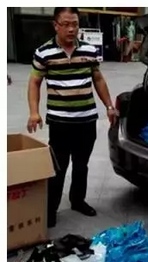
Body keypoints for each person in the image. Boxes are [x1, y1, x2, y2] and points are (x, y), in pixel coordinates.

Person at [27, 7, 117, 228]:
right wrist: (34, 112)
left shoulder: (89, 50)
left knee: (81, 165)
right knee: (58, 167)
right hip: (60, 122)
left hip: (86, 120)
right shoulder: (44, 52)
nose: (71, 29)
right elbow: (34, 82)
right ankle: (50, 209)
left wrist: (109, 105)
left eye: (75, 24)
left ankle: (78, 201)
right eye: (66, 24)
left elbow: (98, 78)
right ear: (55, 25)